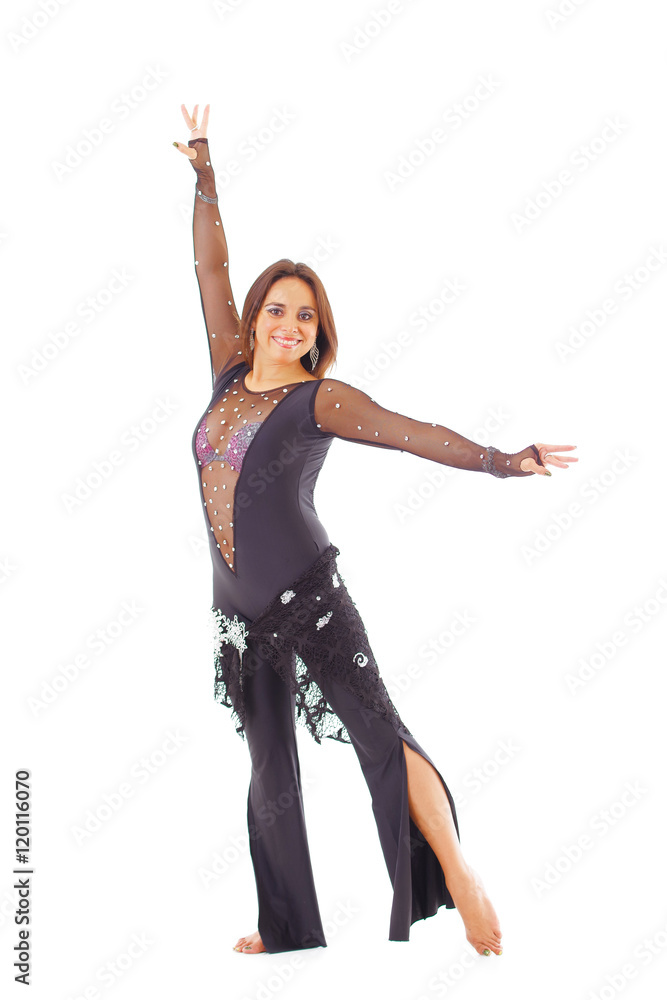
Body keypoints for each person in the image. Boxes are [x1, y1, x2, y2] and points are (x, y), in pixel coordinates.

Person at [173, 103, 578, 958]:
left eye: (305, 318)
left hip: (308, 599)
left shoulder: (318, 399)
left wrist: (503, 461)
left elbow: (410, 432)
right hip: (236, 613)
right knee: (269, 769)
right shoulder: (226, 375)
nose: (289, 326)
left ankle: (458, 875)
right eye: (276, 311)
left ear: (318, 332)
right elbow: (210, 266)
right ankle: (287, 927)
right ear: (255, 318)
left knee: (378, 733)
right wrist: (204, 175)